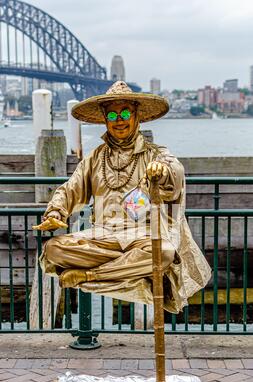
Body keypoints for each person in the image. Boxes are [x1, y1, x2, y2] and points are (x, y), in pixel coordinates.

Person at [35, 81, 211, 313]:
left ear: (136, 116)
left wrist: (162, 170)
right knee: (53, 249)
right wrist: (56, 211)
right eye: (113, 115)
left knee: (164, 252)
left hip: (141, 236)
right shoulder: (95, 158)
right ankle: (123, 267)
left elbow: (174, 173)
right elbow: (71, 189)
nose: (119, 119)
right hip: (102, 235)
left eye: (126, 113)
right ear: (106, 119)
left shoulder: (154, 153)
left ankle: (90, 274)